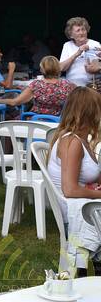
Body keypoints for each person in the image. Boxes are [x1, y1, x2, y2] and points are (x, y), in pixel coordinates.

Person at [46, 87, 101, 273]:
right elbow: (69, 189)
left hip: (81, 203)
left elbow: (91, 174)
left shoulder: (82, 140)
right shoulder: (73, 142)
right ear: (90, 112)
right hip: (72, 208)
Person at [0, 56, 75, 117]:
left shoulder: (36, 85)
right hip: (58, 121)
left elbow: (14, 102)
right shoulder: (67, 85)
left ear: (42, 69)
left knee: (7, 127)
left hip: (35, 120)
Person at [59, 17, 101, 87]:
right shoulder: (67, 45)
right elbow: (62, 68)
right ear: (71, 35)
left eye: (83, 29)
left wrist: (97, 67)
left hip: (93, 86)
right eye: (78, 30)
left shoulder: (95, 44)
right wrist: (77, 53)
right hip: (73, 86)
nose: (81, 33)